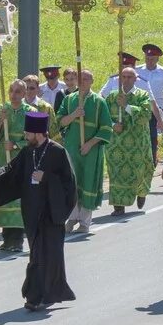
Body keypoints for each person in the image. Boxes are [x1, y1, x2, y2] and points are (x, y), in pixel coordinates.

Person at [0, 112, 78, 310]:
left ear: (38, 133)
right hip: (32, 212)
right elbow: (10, 171)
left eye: (28, 133)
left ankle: (39, 296)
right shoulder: (28, 152)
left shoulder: (58, 152)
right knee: (37, 254)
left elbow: (69, 185)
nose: (25, 136)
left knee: (50, 255)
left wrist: (46, 178)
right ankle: (41, 294)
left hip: (52, 214)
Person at [56, 69, 112, 233]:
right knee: (72, 183)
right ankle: (72, 217)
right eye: (81, 79)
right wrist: (74, 114)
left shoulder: (99, 102)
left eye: (87, 79)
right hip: (72, 148)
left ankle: (85, 222)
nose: (83, 82)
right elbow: (60, 121)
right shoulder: (69, 100)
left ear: (92, 81)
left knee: (87, 182)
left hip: (91, 151)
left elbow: (106, 128)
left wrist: (90, 144)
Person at [105, 67, 155, 215]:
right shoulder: (112, 96)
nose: (126, 80)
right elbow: (104, 116)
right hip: (116, 144)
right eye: (124, 77)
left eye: (129, 77)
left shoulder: (142, 95)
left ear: (135, 79)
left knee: (144, 168)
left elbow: (146, 115)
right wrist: (114, 125)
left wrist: (126, 106)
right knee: (116, 172)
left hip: (137, 143)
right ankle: (118, 205)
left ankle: (141, 192)